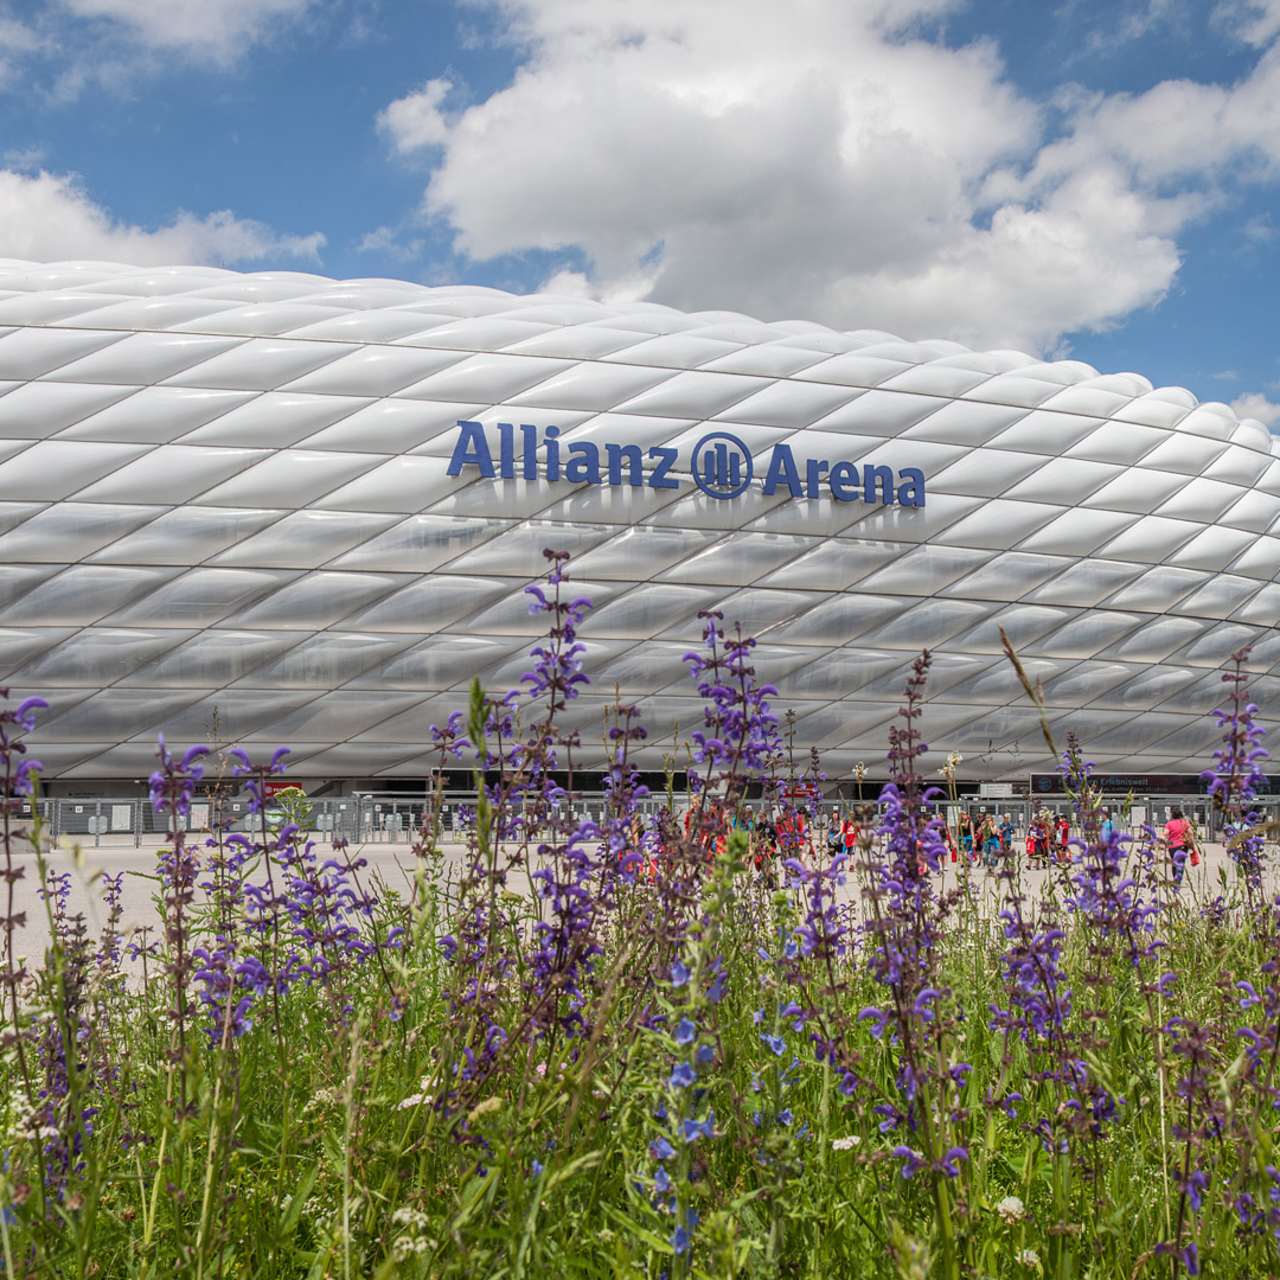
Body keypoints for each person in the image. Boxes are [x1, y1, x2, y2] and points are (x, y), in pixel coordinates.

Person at [1164, 807, 1195, 887]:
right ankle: (1179, 880)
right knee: (1181, 863)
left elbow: (1165, 834)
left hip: (1172, 847)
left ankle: (1175, 878)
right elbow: (1190, 833)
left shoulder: (1169, 824)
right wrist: (1191, 842)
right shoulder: (1184, 822)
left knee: (1174, 862)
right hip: (1183, 845)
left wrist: (1165, 842)